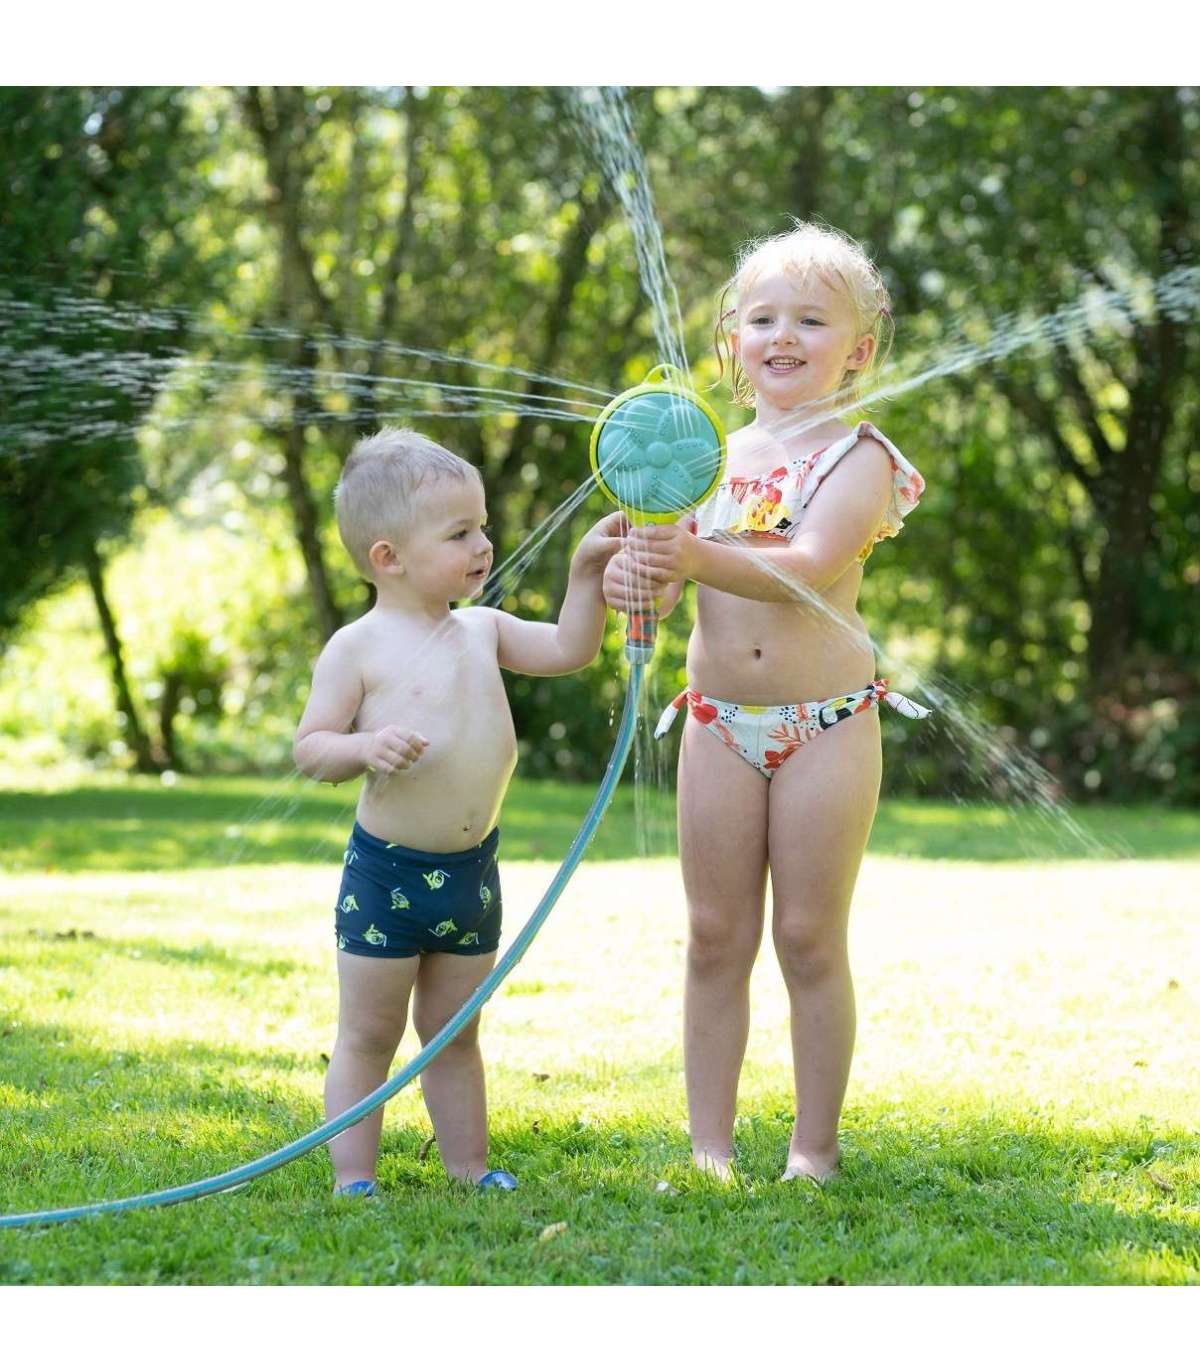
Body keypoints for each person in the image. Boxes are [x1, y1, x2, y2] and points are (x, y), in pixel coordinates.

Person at [604, 222, 929, 1182]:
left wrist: (691, 552)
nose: (783, 335)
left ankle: (812, 1150)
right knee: (715, 937)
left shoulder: (859, 457)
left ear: (858, 349)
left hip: (824, 726)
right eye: (763, 319)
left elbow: (811, 565)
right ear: (733, 340)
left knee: (806, 937)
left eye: (811, 321)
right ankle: (709, 1147)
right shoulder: (705, 458)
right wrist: (638, 576)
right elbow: (671, 582)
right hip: (718, 723)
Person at [294, 427, 624, 1196]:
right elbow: (311, 748)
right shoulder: (357, 647)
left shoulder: (482, 628)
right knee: (369, 1035)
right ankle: (354, 1176)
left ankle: (469, 1167)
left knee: (455, 1036)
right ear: (389, 557)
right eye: (459, 533)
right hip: (388, 880)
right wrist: (364, 746)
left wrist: (585, 573)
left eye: (482, 527)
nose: (483, 544)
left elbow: (568, 649)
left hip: (471, 876)